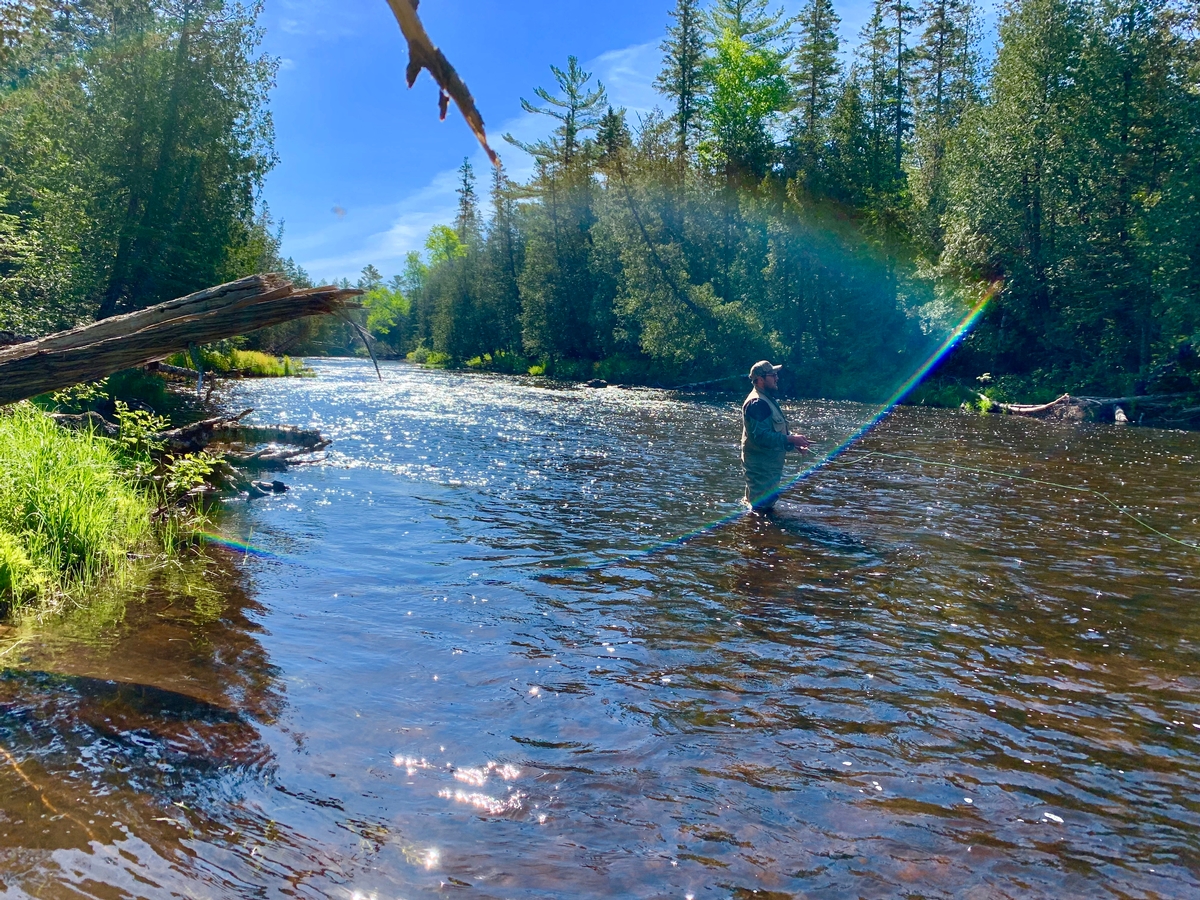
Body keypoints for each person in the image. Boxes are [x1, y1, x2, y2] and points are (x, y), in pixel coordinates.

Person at [741, 360, 810, 511]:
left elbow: (774, 431)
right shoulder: (757, 403)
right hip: (761, 470)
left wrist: (793, 442)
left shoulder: (766, 399)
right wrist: (790, 439)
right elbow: (761, 437)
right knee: (760, 512)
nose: (777, 378)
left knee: (762, 512)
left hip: (767, 469)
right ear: (760, 380)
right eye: (773, 375)